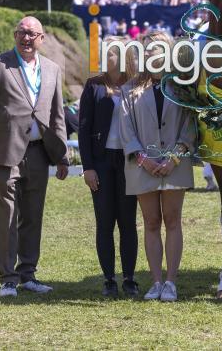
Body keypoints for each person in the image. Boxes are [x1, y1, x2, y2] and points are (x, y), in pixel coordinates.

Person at [0, 16, 69, 297]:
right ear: (15, 35)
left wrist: (62, 156)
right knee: (7, 217)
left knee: (33, 216)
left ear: (42, 39)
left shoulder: (52, 69)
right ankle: (8, 278)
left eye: (32, 34)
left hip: (40, 154)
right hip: (4, 154)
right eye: (22, 33)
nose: (26, 39)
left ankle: (28, 274)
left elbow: (57, 115)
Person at [119, 31, 197, 302]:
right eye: (148, 50)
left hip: (175, 165)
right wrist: (143, 159)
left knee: (173, 221)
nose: (152, 54)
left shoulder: (182, 87)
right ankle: (155, 281)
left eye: (158, 49)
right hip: (143, 166)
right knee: (151, 222)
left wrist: (174, 157)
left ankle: (171, 282)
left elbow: (190, 127)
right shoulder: (129, 90)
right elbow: (126, 130)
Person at [78, 37, 139, 298]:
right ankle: (108, 279)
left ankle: (129, 278)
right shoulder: (93, 86)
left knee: (128, 222)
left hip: (128, 162)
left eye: (110, 54)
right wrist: (88, 167)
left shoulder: (135, 85)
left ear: (122, 56)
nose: (105, 58)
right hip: (101, 163)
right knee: (104, 222)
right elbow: (83, 128)